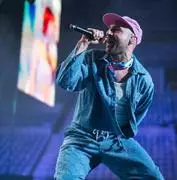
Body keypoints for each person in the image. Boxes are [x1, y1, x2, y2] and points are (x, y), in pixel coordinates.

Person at [54, 13, 164, 180]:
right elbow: (65, 81)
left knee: (154, 177)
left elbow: (137, 116)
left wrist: (119, 134)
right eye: (109, 30)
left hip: (116, 141)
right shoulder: (92, 59)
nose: (109, 33)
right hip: (82, 137)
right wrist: (84, 42)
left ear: (132, 40)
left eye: (116, 30)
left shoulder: (144, 80)